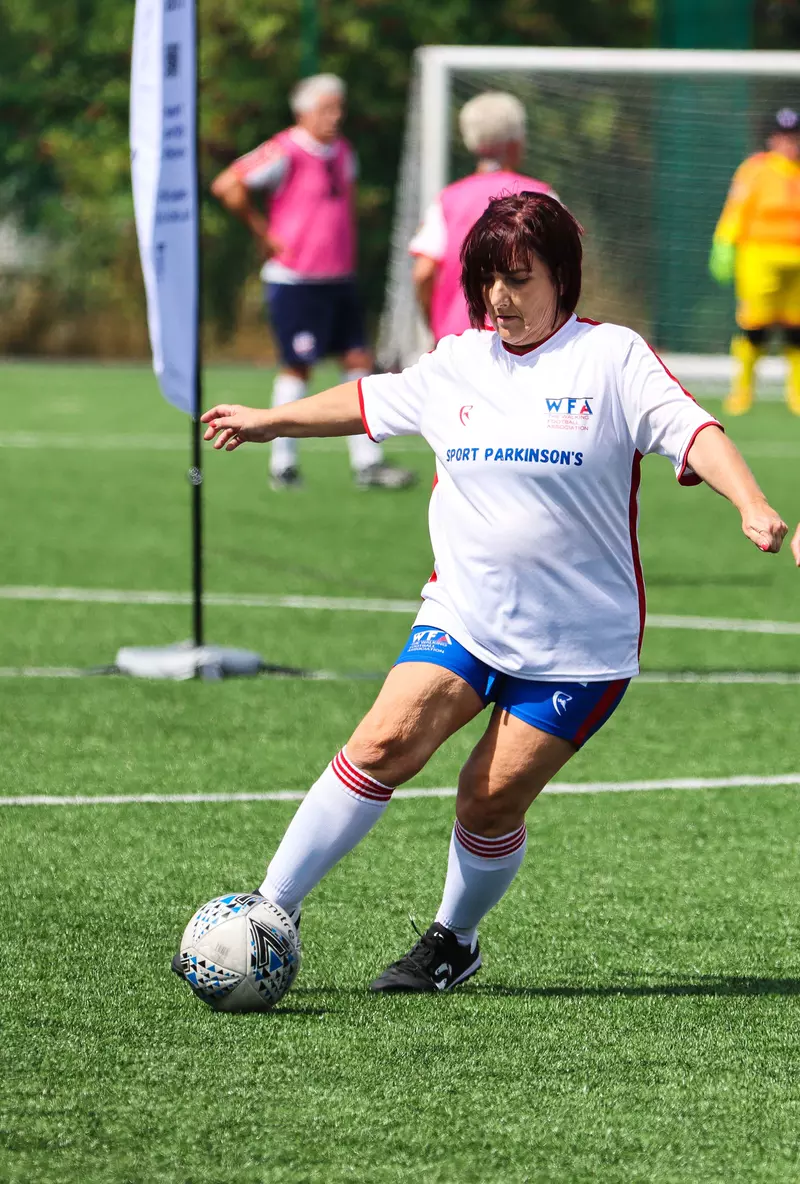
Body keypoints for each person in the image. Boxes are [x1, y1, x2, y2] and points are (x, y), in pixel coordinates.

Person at [195, 193, 787, 993]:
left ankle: (454, 939)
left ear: (562, 278)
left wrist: (750, 504)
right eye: (487, 281)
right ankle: (269, 910)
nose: (500, 298)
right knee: (382, 745)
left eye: (518, 278)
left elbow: (694, 431)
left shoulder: (612, 359)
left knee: (487, 798)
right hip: (465, 615)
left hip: (579, 646)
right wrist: (272, 421)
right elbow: (370, 402)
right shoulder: (459, 362)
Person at [210, 73, 415, 491]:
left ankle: (367, 462)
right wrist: (262, 232)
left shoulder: (343, 152)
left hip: (338, 278)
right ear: (302, 112)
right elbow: (227, 184)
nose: (335, 116)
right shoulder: (283, 150)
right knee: (298, 366)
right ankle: (283, 465)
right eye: (326, 108)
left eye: (339, 108)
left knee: (358, 362)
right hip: (296, 281)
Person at [410, 91, 557, 343]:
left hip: (458, 340)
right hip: (525, 341)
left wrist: (435, 323)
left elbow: (423, 273)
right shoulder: (542, 197)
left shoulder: (448, 200)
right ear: (516, 141)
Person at [709, 107, 800, 417]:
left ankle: (797, 393)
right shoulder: (756, 170)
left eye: (795, 137)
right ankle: (743, 390)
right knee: (754, 325)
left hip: (797, 260)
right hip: (759, 256)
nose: (790, 143)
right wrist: (724, 243)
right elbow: (737, 209)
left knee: (795, 329)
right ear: (772, 139)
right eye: (784, 137)